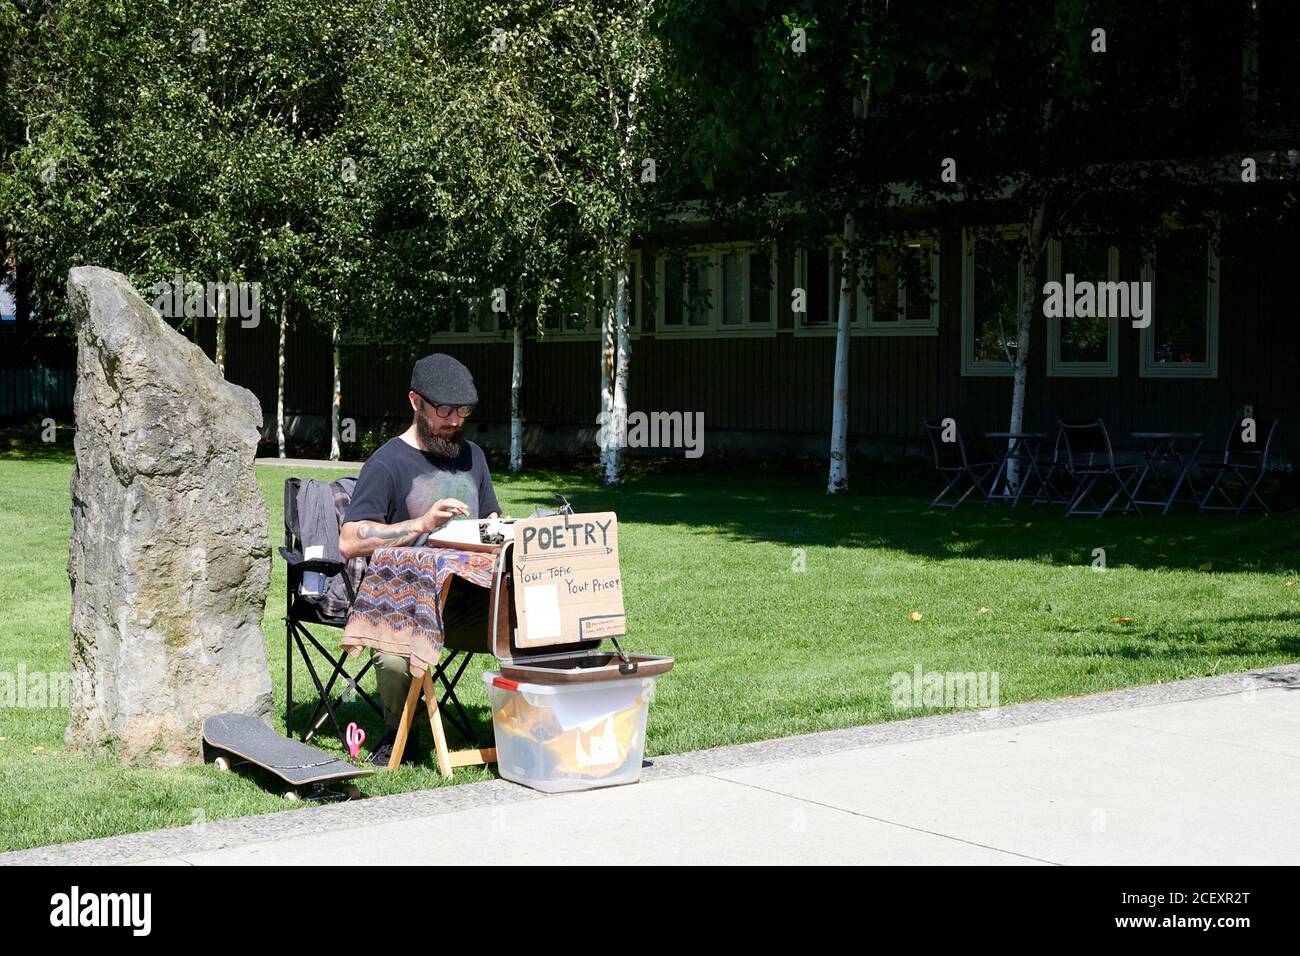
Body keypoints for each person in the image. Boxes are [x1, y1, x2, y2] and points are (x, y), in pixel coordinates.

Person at [339, 353, 501, 765]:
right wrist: (421, 524)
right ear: (415, 402)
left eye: (462, 411)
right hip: (406, 604)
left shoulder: (473, 458)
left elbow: (490, 519)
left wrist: (499, 531)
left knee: (536, 619)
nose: (454, 420)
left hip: (470, 600)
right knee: (394, 655)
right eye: (444, 410)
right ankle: (401, 732)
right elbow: (348, 540)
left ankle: (532, 721)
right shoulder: (387, 463)